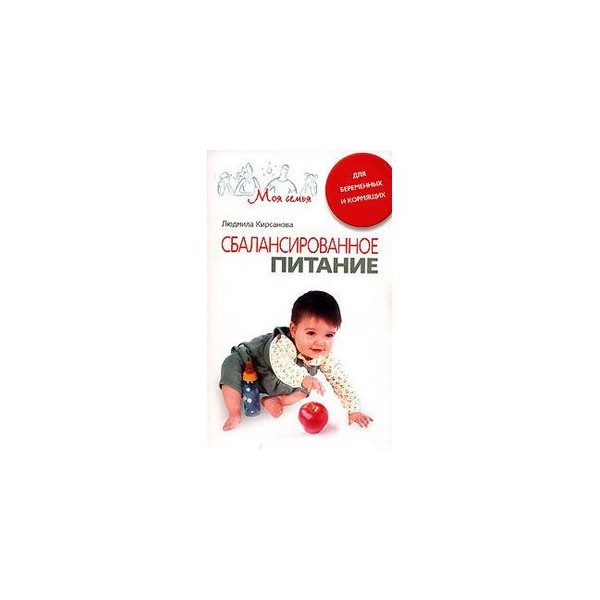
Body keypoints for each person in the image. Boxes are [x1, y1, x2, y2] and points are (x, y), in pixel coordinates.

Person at [219, 290, 373, 431]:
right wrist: (304, 378)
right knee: (231, 365)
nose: (320, 342)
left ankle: (278, 400)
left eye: (329, 335)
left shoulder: (324, 357)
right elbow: (283, 366)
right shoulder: (282, 343)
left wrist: (354, 409)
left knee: (306, 389)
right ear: (293, 330)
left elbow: (340, 380)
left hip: (282, 383)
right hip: (252, 367)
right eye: (311, 333)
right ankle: (234, 413)